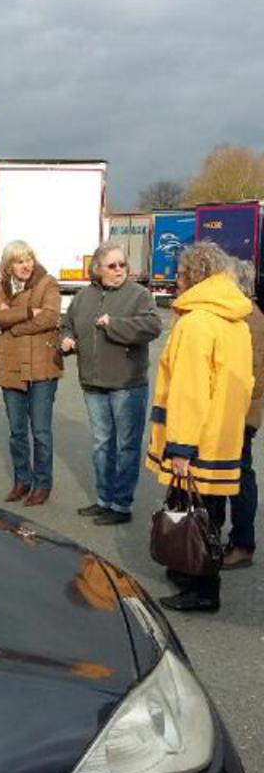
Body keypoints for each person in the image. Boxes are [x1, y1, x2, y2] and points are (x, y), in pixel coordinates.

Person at [146, 242, 253, 613]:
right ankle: (187, 571)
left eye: (179, 273)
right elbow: (243, 383)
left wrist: (181, 447)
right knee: (208, 510)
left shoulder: (196, 323)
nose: (175, 280)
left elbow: (190, 391)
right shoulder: (235, 320)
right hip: (223, 435)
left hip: (197, 438)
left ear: (195, 275)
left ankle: (203, 588)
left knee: (197, 514)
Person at [61, 240, 161, 524]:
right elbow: (66, 324)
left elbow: (152, 326)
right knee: (102, 444)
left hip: (127, 385)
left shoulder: (139, 295)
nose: (119, 270)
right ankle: (104, 499)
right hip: (93, 383)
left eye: (122, 264)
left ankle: (121, 505)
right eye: (112, 265)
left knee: (126, 447)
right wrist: (65, 339)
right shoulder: (83, 296)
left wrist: (114, 324)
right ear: (97, 269)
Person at [0, 240, 62, 506]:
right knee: (17, 431)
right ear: (9, 265)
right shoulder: (2, 287)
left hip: (42, 366)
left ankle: (42, 483)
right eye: (19, 261)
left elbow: (50, 317)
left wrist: (14, 326)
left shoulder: (47, 283)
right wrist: (29, 311)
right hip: (11, 366)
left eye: (29, 259)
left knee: (40, 431)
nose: (26, 265)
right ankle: (22, 480)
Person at [223, 258, 264, 569]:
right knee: (237, 475)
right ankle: (238, 541)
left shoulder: (248, 319)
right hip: (239, 411)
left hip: (239, 413)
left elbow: (249, 376)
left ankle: (242, 544)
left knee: (239, 477)